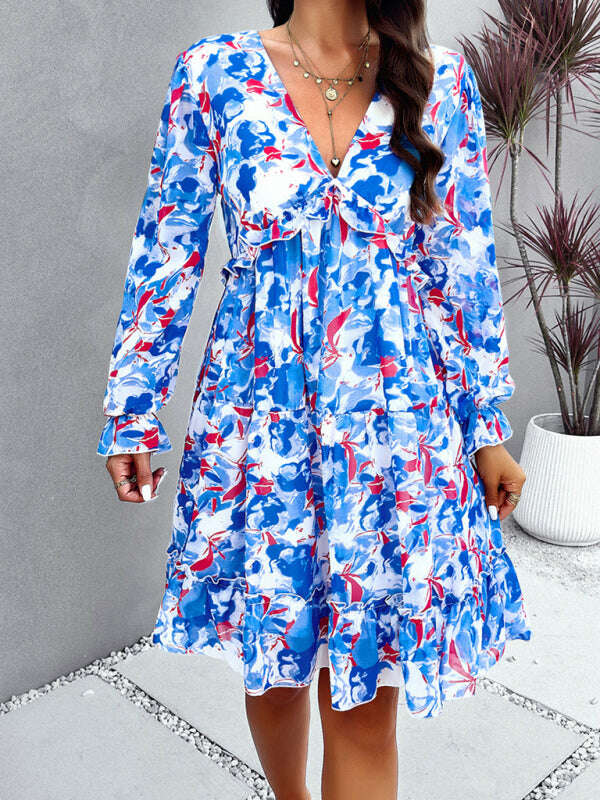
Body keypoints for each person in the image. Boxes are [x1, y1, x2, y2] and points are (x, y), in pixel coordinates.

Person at [97, 2, 532, 798]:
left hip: (398, 432)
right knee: (276, 665)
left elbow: (463, 267)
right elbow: (167, 249)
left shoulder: (439, 79)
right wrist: (134, 408)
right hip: (259, 429)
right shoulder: (213, 74)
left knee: (365, 704)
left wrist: (486, 431)